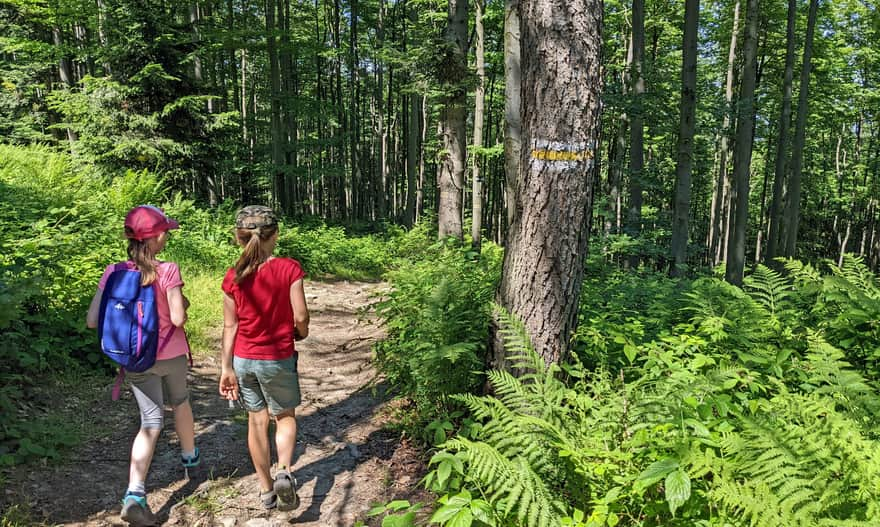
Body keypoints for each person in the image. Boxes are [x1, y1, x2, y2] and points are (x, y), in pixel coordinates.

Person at [86, 205, 199, 527]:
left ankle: (134, 493)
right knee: (180, 401)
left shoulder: (113, 271)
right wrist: (181, 305)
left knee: (150, 422)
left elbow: (93, 320)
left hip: (135, 360)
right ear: (158, 236)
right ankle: (190, 457)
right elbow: (177, 318)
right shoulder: (169, 270)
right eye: (165, 231)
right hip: (171, 355)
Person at [218, 205, 310, 512]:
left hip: (244, 359)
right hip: (277, 356)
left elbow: (230, 325)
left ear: (238, 237)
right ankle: (284, 469)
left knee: (256, 421)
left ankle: (266, 490)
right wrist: (300, 332)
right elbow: (300, 315)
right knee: (284, 417)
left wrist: (225, 368)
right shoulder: (289, 269)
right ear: (276, 236)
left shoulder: (233, 276)